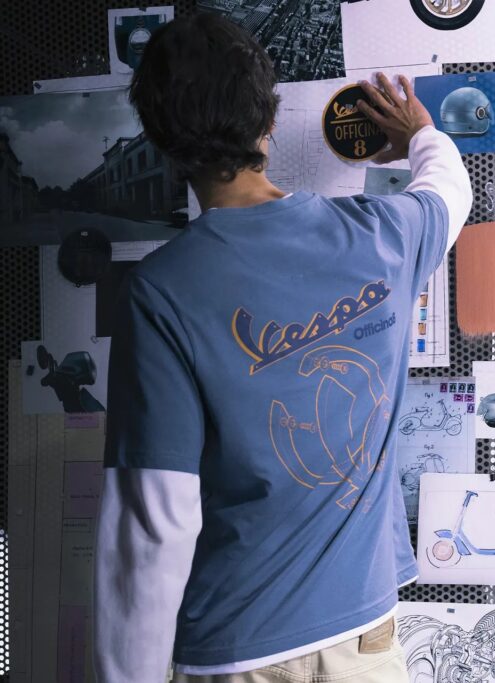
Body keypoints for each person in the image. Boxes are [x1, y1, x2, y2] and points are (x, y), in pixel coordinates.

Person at [93, 12, 471, 682]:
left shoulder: (161, 291)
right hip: (367, 644)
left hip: (239, 650)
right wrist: (420, 134)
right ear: (269, 119)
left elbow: (153, 524)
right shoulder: (382, 236)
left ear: (164, 144)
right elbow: (449, 191)